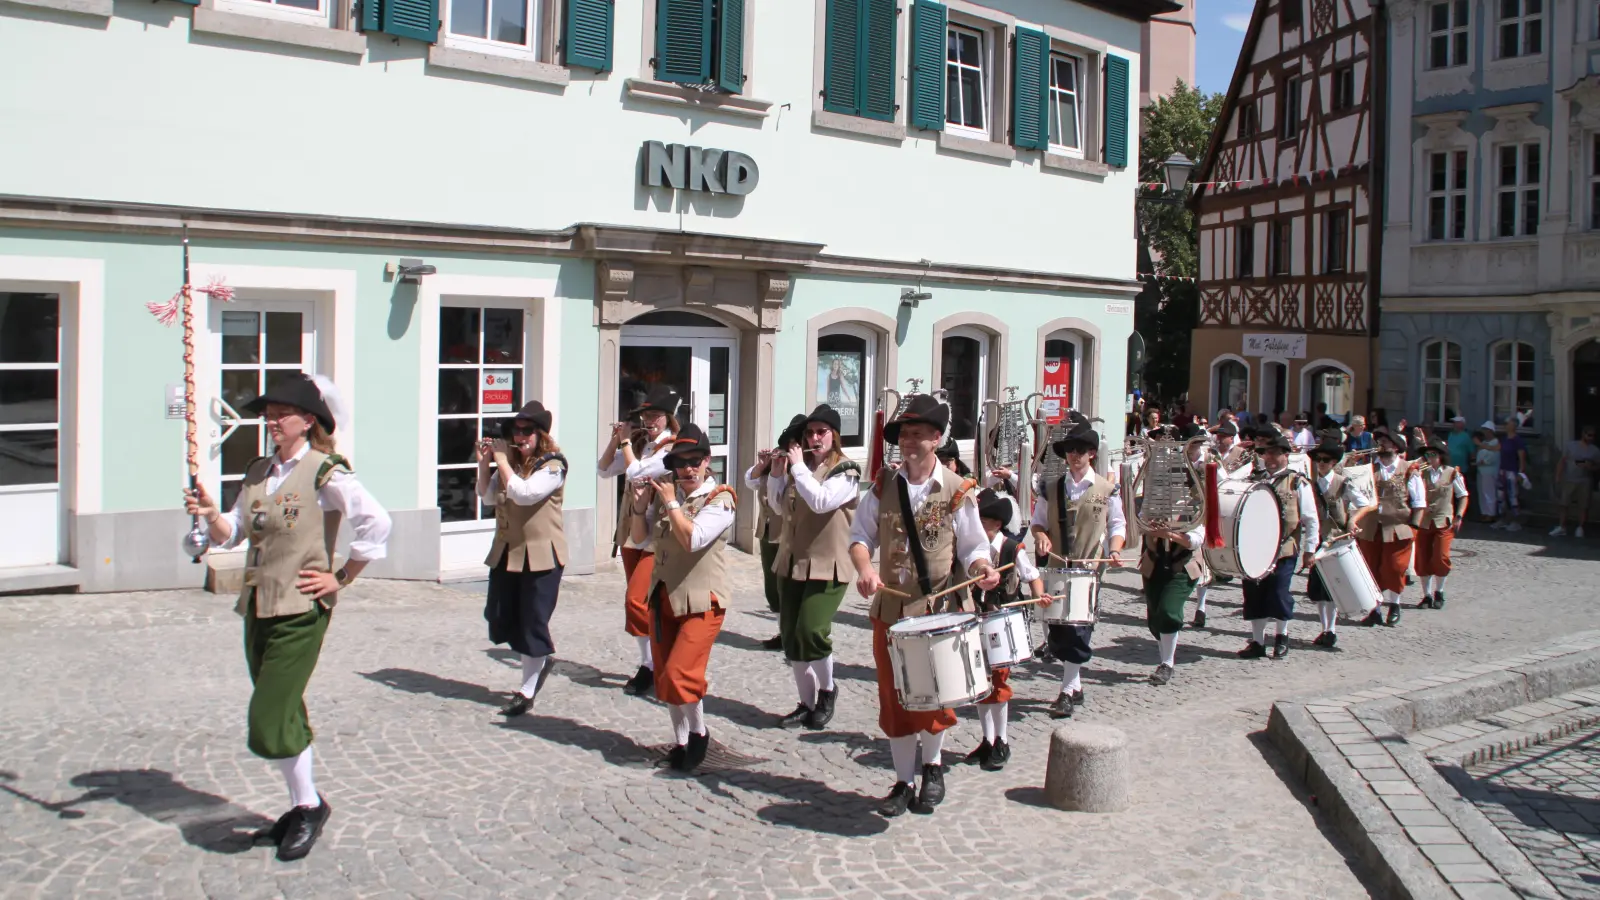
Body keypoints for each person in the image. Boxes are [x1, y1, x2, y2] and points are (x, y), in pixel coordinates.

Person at [182, 374, 391, 862]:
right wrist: (211, 514)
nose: (272, 422)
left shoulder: (326, 472)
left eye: (282, 414)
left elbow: (377, 521)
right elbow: (231, 531)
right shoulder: (258, 471)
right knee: (287, 710)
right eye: (269, 414)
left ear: (308, 421)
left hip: (301, 611)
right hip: (257, 606)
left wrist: (342, 576)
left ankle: (310, 805)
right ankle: (304, 805)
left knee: (270, 715)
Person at [849, 394, 997, 818]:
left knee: (934, 695)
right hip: (892, 610)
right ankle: (901, 781)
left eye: (918, 434)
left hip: (937, 609)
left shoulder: (957, 490)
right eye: (903, 435)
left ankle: (932, 767)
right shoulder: (883, 485)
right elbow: (860, 538)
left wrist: (984, 568)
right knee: (894, 698)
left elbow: (973, 547)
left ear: (936, 438)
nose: (909, 442)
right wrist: (864, 569)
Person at [632, 424, 737, 773]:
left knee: (680, 674)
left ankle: (700, 734)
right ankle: (681, 742)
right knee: (665, 676)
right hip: (665, 596)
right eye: (680, 463)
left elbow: (693, 539)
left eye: (695, 461)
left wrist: (671, 502)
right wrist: (639, 508)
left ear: (707, 461)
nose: (688, 469)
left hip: (702, 601)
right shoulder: (668, 494)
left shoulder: (720, 499)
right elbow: (640, 539)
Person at [767, 405, 860, 730]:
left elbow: (821, 501)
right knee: (792, 638)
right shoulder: (800, 468)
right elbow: (778, 506)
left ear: (834, 436)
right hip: (794, 560)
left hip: (828, 563)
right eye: (809, 433)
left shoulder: (846, 471)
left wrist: (797, 469)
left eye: (821, 432)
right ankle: (805, 703)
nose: (814, 438)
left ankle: (828, 690)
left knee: (812, 630)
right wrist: (778, 472)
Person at [1030, 416, 1126, 717]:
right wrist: (1042, 537)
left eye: (1080, 450)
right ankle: (1076, 685)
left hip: (1088, 569)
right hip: (1059, 567)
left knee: (1078, 628)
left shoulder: (1107, 489)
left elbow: (1117, 524)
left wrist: (1114, 549)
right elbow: (1037, 523)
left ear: (1092, 454)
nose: (1074, 456)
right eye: (1070, 450)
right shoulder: (1052, 487)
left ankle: (1066, 692)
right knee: (1058, 628)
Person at [477, 401, 567, 717]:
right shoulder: (511, 465)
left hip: (542, 555)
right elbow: (486, 496)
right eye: (516, 431)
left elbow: (526, 493)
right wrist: (486, 463)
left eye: (527, 431)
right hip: (508, 552)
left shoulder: (553, 465)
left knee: (532, 621)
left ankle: (526, 689)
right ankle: (537, 662)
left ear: (540, 435)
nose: (520, 437)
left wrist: (501, 460)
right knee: (498, 615)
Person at [600, 386, 680, 696]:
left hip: (656, 535)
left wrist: (624, 442)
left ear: (668, 418)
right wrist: (616, 438)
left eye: (655, 416)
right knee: (640, 604)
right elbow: (604, 469)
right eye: (646, 416)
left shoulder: (671, 448)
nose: (649, 421)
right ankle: (650, 662)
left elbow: (635, 472)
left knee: (637, 600)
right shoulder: (640, 444)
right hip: (632, 530)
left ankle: (652, 664)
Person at [962, 488, 1045, 771]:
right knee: (980, 684)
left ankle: (1002, 740)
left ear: (996, 524)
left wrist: (1041, 599)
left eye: (981, 523)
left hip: (1002, 620)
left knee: (998, 683)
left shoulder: (1011, 548)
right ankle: (987, 740)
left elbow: (1032, 575)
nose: (975, 528)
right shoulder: (969, 553)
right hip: (976, 619)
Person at [1237, 433, 1317, 660]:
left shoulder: (1297, 482)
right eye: (1264, 453)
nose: (1268, 458)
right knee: (1253, 595)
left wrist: (1310, 549)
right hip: (1254, 548)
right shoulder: (1253, 478)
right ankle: (1258, 642)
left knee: (1279, 593)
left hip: (1284, 547)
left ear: (1285, 455)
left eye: (1273, 453)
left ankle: (1282, 636)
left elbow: (1310, 518)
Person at [1137, 478, 1206, 684]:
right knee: (1155, 617)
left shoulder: (1195, 507)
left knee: (1168, 611)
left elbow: (1195, 540)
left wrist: (1170, 534)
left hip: (1182, 566)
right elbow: (1139, 523)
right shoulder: (1152, 503)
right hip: (1154, 563)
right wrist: (1147, 525)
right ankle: (1164, 656)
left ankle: (1167, 663)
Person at [1353, 428, 1425, 626]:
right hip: (1371, 526)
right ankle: (1374, 609)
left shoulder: (1409, 470)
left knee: (1393, 567)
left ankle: (1395, 604)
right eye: (1379, 442)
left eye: (1384, 441)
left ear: (1395, 446)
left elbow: (1419, 502)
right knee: (1370, 567)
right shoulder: (1368, 469)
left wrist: (1414, 528)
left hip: (1397, 526)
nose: (1380, 445)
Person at [747, 415, 806, 650]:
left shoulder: (803, 469)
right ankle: (783, 631)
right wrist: (764, 465)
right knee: (772, 587)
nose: (792, 448)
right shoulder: (776, 458)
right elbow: (750, 481)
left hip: (787, 535)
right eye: (790, 442)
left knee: (787, 585)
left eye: (796, 443)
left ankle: (795, 631)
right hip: (767, 531)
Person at [1306, 441, 1371, 648]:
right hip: (1318, 540)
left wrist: (1353, 519)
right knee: (1318, 590)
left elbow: (1364, 503)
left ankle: (1330, 630)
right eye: (1318, 460)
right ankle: (1324, 628)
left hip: (1336, 541)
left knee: (1333, 587)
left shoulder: (1343, 483)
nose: (1321, 464)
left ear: (1334, 462)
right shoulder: (1310, 484)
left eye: (1325, 460)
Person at [1414, 438, 1469, 610]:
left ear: (1441, 456)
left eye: (1433, 454)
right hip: (1424, 521)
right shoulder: (1421, 474)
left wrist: (1459, 515)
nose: (1429, 457)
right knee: (1422, 559)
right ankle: (1426, 595)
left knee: (1440, 557)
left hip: (1443, 521)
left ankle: (1440, 591)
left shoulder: (1452, 473)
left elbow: (1463, 495)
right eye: (1427, 455)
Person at [1552, 426, 1600, 537]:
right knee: (1564, 504)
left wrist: (1590, 467)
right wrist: (1558, 476)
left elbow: (1598, 466)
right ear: (1583, 434)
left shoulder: (1595, 450)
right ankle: (1562, 527)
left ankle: (1580, 527)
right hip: (1569, 478)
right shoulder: (1571, 445)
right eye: (1588, 434)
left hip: (1585, 480)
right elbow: (1562, 461)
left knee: (1584, 505)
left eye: (1592, 435)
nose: (1590, 437)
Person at [1493, 418, 1529, 532]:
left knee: (1513, 497)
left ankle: (1516, 521)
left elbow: (1521, 457)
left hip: (1512, 471)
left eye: (1508, 423)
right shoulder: (1504, 439)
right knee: (1500, 496)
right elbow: (1496, 449)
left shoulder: (1517, 440)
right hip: (1502, 471)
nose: (1505, 425)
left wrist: (1521, 472)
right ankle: (1502, 519)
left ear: (1513, 425)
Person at [1474, 424, 1501, 523]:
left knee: (1489, 492)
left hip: (1490, 471)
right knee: (1482, 492)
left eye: (1486, 430)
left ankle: (1491, 513)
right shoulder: (1485, 442)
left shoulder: (1496, 443)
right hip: (1481, 470)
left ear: (1490, 431)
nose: (1484, 432)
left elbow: (1493, 456)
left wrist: (1484, 461)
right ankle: (1484, 512)